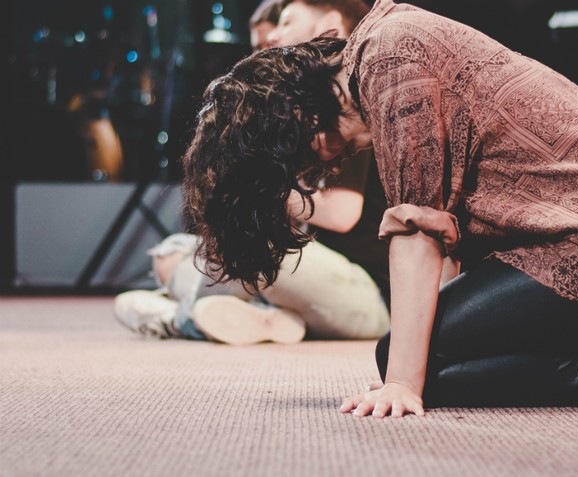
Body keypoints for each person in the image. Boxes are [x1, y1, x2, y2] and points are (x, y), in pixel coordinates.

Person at [181, 0, 578, 416]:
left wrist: (402, 384)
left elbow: (418, 235)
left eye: (294, 163)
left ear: (297, 119)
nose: (313, 173)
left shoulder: (389, 61)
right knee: (419, 347)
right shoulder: (386, 47)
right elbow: (448, 245)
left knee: (403, 361)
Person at [114, 0, 389, 345]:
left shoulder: (346, 105)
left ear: (331, 24)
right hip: (308, 281)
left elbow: (342, 214)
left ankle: (178, 317)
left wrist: (260, 187)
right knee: (172, 251)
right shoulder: (302, 110)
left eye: (287, 21)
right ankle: (271, 319)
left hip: (365, 293)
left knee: (244, 250)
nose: (275, 34)